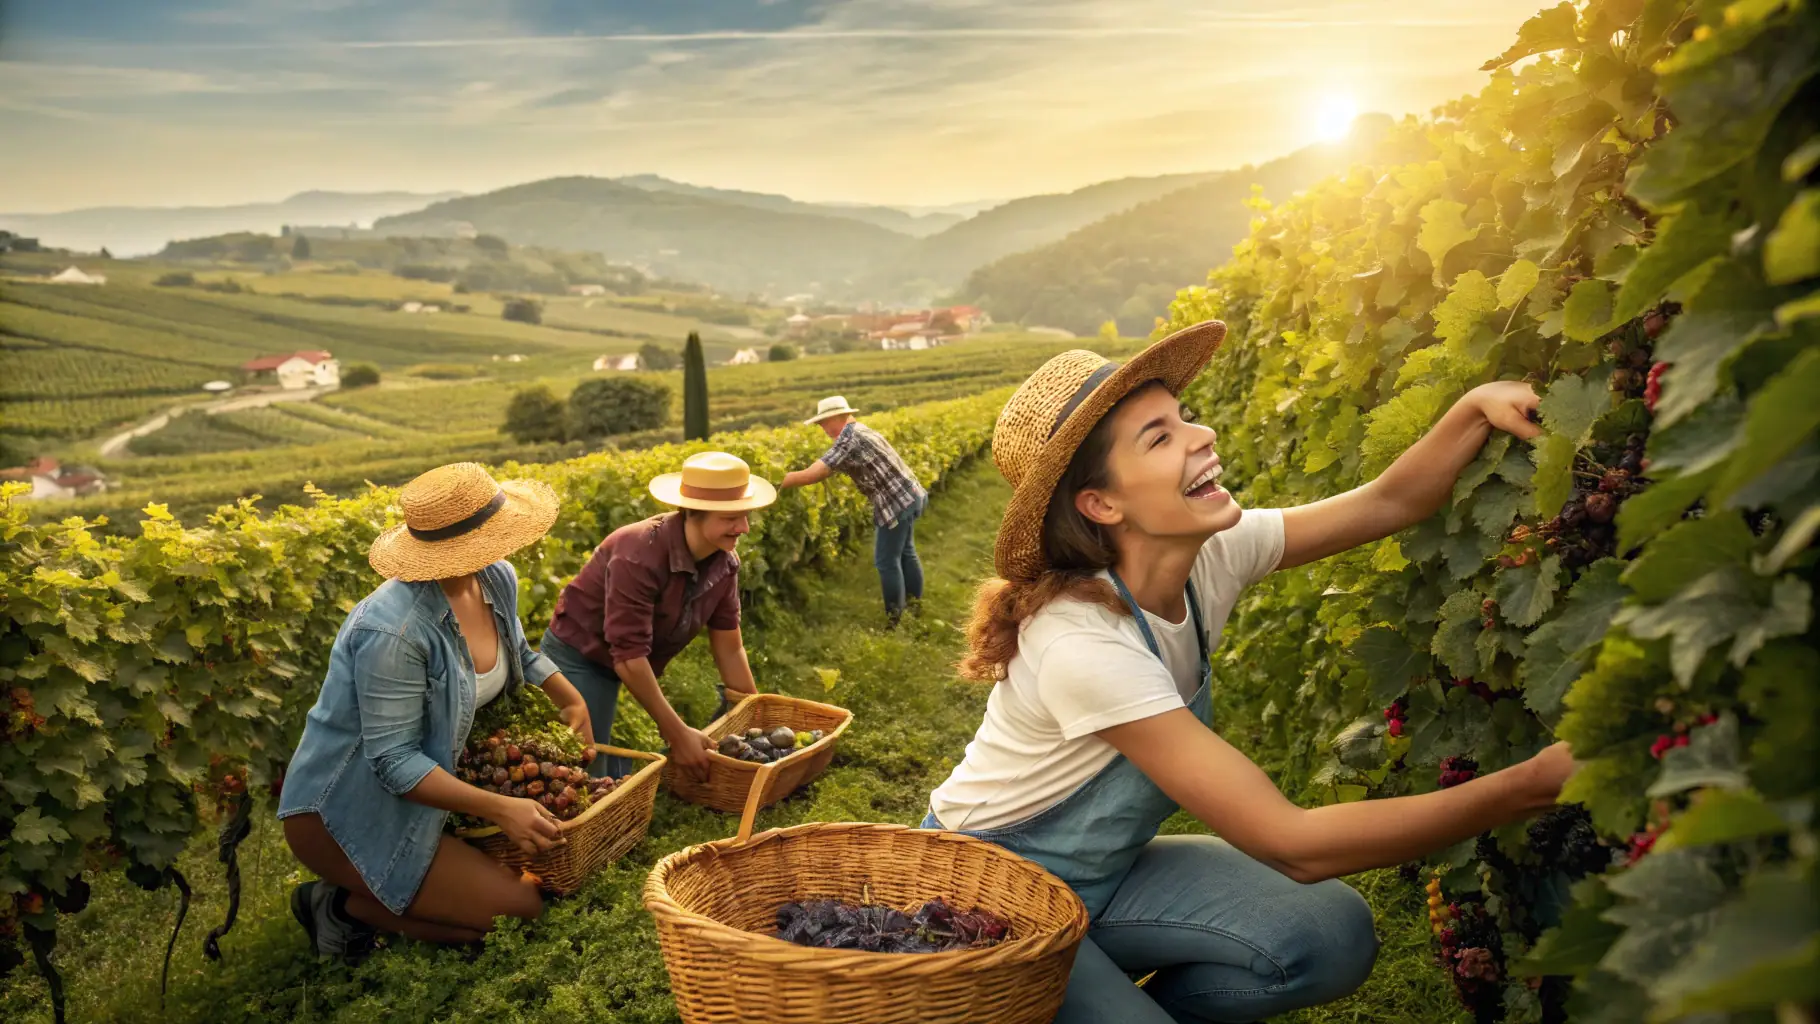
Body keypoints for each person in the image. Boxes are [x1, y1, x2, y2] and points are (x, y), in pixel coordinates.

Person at [921, 321, 1577, 1023]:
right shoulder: (1079, 644)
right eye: (1160, 437)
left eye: (1185, 418)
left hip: (1103, 878)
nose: (1200, 436)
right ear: (1102, 504)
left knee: (1331, 935)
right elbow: (1290, 844)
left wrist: (1475, 406)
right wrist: (1528, 786)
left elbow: (1390, 502)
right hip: (988, 892)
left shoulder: (1214, 551)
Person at [277, 462, 595, 960]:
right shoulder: (393, 631)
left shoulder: (495, 578)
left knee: (532, 894)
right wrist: (500, 807)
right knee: (521, 908)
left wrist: (568, 696)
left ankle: (388, 897)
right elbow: (393, 762)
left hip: (431, 794)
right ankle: (337, 905)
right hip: (348, 811)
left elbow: (521, 653)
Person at [539, 451, 772, 783]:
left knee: (600, 759)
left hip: (629, 656)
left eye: (745, 515)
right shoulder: (638, 553)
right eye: (731, 518)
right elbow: (629, 658)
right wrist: (677, 735)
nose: (744, 528)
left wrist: (755, 719)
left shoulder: (724, 562)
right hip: (580, 655)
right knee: (583, 768)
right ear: (694, 513)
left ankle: (631, 773)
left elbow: (730, 648)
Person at [779, 395, 928, 627]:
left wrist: (774, 481)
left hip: (896, 503)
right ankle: (914, 607)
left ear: (837, 416)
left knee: (886, 561)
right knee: (906, 552)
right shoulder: (861, 430)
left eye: (824, 422)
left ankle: (895, 620)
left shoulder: (848, 439)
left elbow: (813, 474)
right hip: (911, 494)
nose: (823, 428)